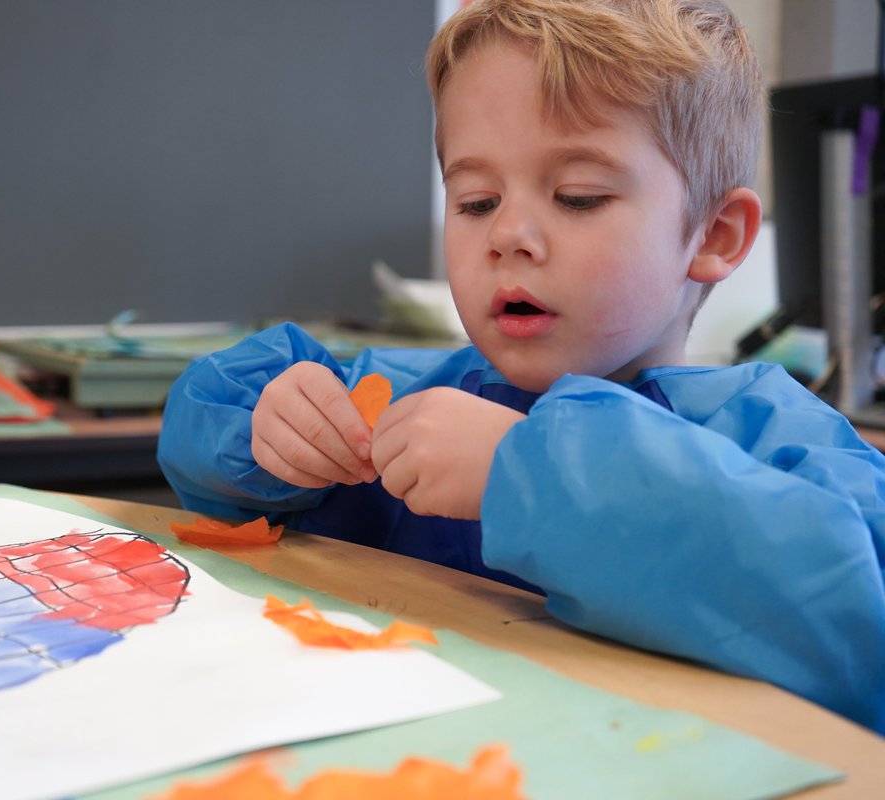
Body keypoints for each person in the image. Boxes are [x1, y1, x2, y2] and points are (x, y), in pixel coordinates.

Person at [157, 0, 885, 734]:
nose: (508, 234)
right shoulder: (409, 397)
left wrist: (525, 468)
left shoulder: (772, 436)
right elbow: (210, 432)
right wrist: (268, 430)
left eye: (577, 196)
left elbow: (857, 617)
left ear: (714, 235)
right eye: (476, 202)